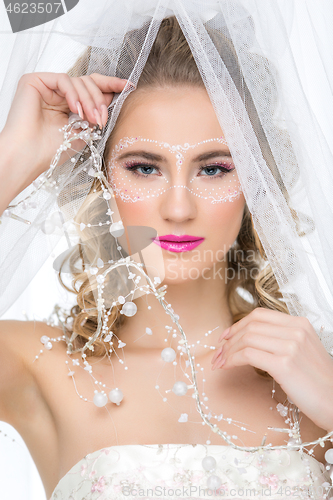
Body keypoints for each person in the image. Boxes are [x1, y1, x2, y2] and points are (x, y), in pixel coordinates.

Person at [1, 4, 333, 500]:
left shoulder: (315, 372)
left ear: (257, 183)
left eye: (215, 168)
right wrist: (13, 158)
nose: (178, 208)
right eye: (144, 167)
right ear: (101, 178)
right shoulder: (36, 366)